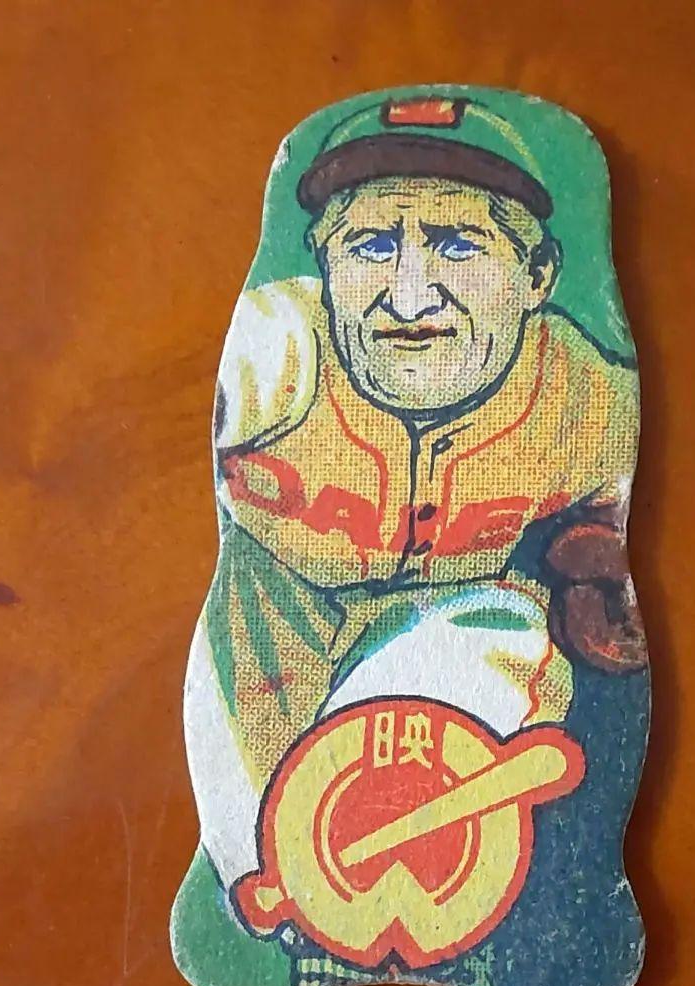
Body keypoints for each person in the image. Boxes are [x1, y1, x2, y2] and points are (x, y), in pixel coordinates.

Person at [183, 95, 645, 925]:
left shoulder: (586, 398)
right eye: (369, 246)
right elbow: (246, 367)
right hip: (266, 645)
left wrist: (589, 555)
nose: (407, 295)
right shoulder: (285, 348)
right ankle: (270, 883)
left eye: (459, 244)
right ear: (324, 268)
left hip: (439, 664)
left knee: (502, 624)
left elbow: (607, 517)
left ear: (536, 278)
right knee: (256, 890)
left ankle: (397, 890)